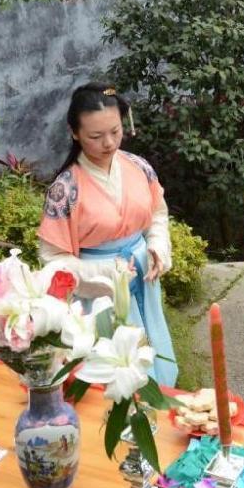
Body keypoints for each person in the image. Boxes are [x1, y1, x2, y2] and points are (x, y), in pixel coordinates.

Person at [37, 83, 177, 386]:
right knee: (110, 372)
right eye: (96, 136)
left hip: (142, 276)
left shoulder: (139, 167)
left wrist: (155, 246)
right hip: (98, 293)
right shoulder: (65, 189)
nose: (109, 143)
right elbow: (54, 259)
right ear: (75, 133)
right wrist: (106, 274)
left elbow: (157, 213)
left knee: (152, 351)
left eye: (115, 131)